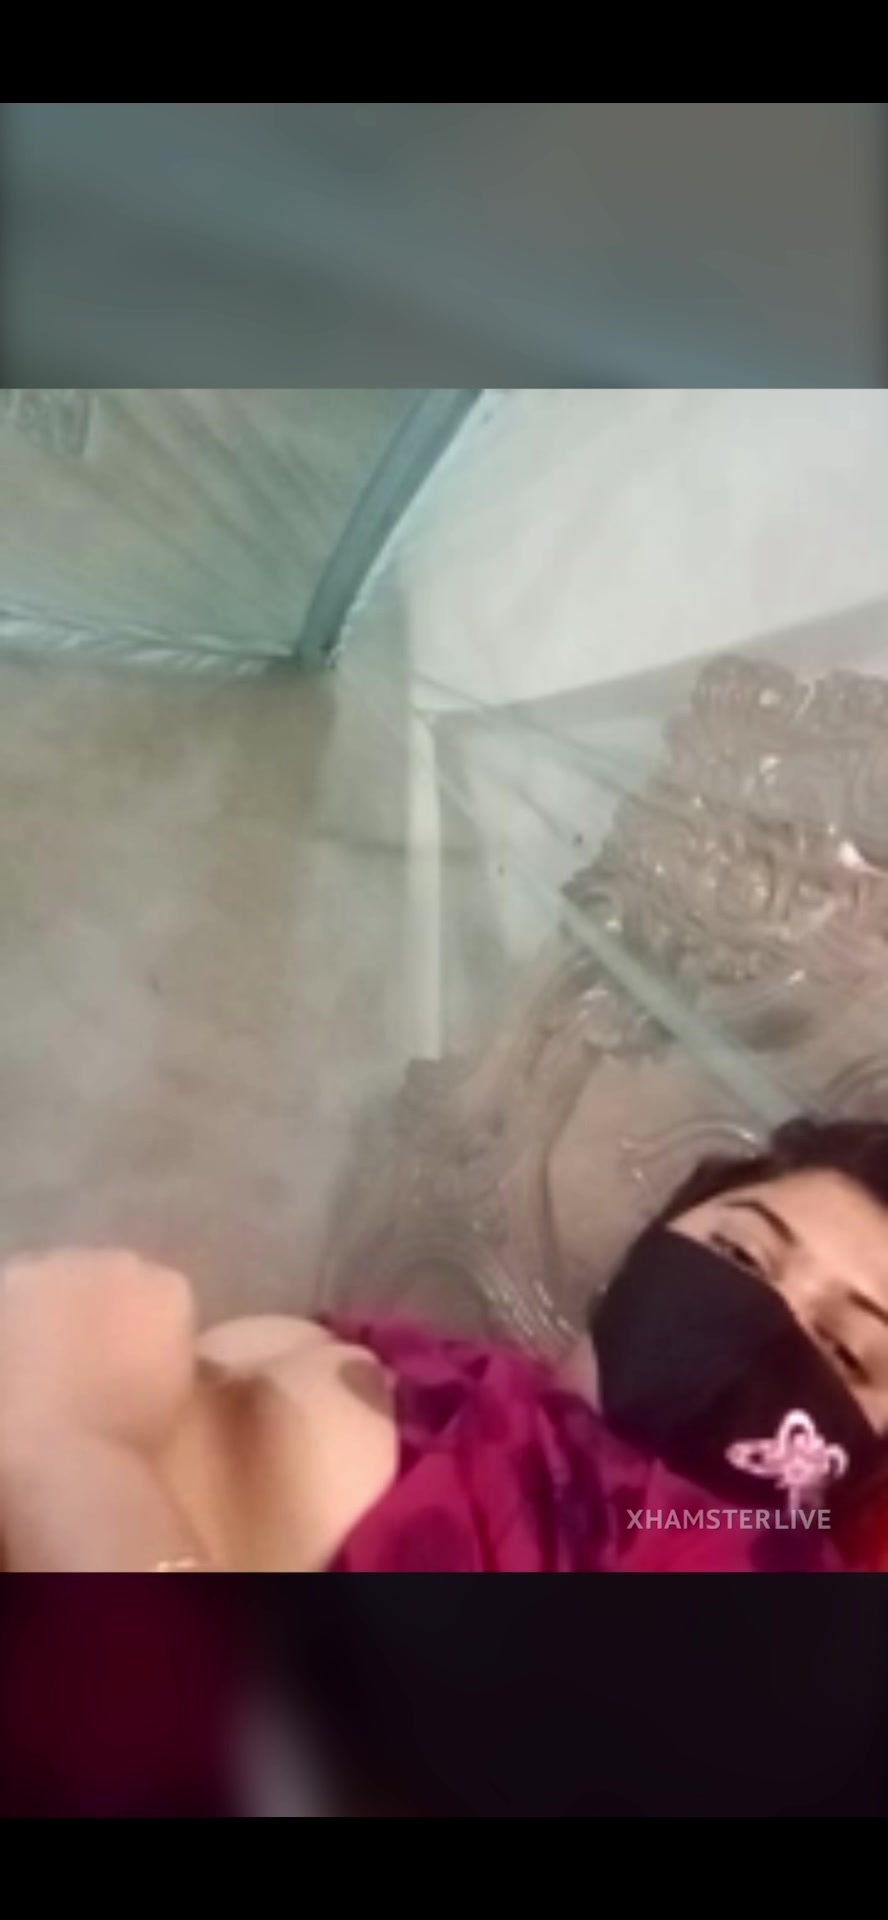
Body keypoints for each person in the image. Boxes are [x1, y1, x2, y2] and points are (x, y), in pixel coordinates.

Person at [3, 1116, 888, 1574]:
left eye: (847, 1352)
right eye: (743, 1254)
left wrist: (68, 1454)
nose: (767, 1313)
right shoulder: (443, 1371)